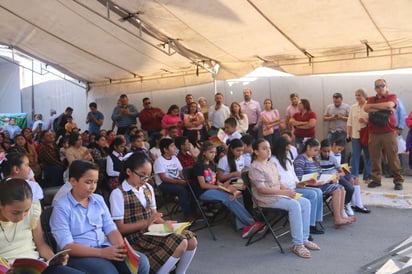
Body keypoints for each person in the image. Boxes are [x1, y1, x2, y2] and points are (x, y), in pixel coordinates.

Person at [50, 160, 150, 274]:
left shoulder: (98, 199)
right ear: (73, 181)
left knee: (141, 263)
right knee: (108, 272)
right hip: (79, 255)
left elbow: (111, 228)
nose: (93, 187)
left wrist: (120, 247)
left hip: (104, 246)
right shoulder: (62, 208)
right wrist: (102, 253)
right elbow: (67, 246)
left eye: (95, 182)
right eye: (88, 182)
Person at [110, 153, 197, 274]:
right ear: (129, 171)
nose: (145, 180)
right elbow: (120, 228)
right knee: (181, 242)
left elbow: (154, 215)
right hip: (134, 237)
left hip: (152, 230)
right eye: (142, 176)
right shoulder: (118, 193)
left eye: (148, 176)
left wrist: (166, 224)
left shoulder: (147, 188)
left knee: (191, 239)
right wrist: (146, 223)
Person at [249, 139, 320, 258]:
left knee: (305, 202)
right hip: (266, 198)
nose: (268, 151)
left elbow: (278, 182)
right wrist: (284, 192)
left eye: (269, 148)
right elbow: (262, 189)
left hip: (278, 194)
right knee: (294, 205)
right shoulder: (255, 167)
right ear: (256, 151)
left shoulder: (271, 164)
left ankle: (304, 238)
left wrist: (288, 190)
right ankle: (298, 245)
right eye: (264, 148)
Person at [0, 178, 84, 274]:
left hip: (34, 266)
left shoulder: (33, 211)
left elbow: (41, 244)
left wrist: (54, 259)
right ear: (1, 205)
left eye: (26, 210)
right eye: (15, 212)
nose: (22, 216)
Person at [193, 141, 264, 238]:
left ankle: (243, 227)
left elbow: (215, 181)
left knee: (238, 194)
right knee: (229, 198)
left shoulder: (212, 164)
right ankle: (251, 222)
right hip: (204, 192)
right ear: (204, 152)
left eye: (214, 152)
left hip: (217, 188)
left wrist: (222, 185)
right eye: (211, 152)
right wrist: (219, 187)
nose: (213, 155)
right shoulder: (199, 165)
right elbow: (203, 185)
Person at [293, 138, 355, 226]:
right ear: (308, 147)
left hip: (319, 183)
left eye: (317, 151)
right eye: (315, 150)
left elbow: (320, 173)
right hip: (311, 186)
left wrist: (329, 179)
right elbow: (299, 179)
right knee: (337, 189)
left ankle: (341, 216)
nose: (316, 153)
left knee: (341, 188)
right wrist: (315, 182)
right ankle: (337, 218)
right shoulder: (301, 159)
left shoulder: (314, 159)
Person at [270, 137, 324, 235]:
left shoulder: (287, 160)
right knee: (312, 194)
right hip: (285, 191)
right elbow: (276, 180)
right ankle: (308, 226)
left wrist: (301, 183)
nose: (287, 152)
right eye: (285, 150)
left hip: (294, 187)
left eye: (288, 150)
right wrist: (287, 188)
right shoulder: (273, 161)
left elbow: (294, 177)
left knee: (317, 192)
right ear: (279, 148)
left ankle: (313, 223)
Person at [364, 79, 404, 190]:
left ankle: (398, 180)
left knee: (393, 157)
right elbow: (366, 108)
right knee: (374, 158)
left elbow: (390, 104)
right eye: (377, 86)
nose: (380, 88)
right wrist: (385, 107)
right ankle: (376, 180)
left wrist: (374, 107)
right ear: (375, 89)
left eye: (382, 86)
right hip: (374, 133)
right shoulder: (371, 99)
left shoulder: (392, 96)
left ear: (387, 87)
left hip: (389, 132)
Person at [153, 138, 197, 221]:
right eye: (172, 146)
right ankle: (188, 215)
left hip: (177, 181)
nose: (174, 148)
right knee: (181, 190)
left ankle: (194, 211)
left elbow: (181, 172)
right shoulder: (159, 161)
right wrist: (179, 182)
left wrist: (185, 180)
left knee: (192, 186)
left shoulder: (174, 158)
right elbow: (163, 178)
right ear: (165, 149)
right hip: (164, 184)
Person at [318, 139, 355, 217]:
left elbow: (342, 172)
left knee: (351, 188)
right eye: (325, 151)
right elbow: (317, 175)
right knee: (341, 189)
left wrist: (338, 175)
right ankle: (339, 210)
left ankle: (345, 205)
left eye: (329, 151)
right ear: (320, 150)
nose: (327, 154)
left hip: (335, 178)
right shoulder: (317, 160)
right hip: (324, 181)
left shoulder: (332, 158)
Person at [346, 88, 372, 189]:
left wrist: (365, 120)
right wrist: (348, 134)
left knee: (368, 156)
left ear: (364, 96)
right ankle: (354, 176)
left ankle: (367, 177)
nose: (357, 97)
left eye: (359, 95)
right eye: (356, 95)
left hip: (366, 135)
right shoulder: (353, 107)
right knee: (354, 156)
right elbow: (349, 121)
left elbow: (373, 122)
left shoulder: (369, 106)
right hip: (355, 136)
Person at [323, 93, 350, 163]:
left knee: (341, 149)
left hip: (342, 131)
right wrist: (331, 117)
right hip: (331, 131)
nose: (336, 103)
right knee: (328, 146)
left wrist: (342, 117)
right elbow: (324, 118)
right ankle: (329, 163)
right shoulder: (329, 107)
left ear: (341, 99)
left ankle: (342, 165)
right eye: (335, 101)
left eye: (338, 101)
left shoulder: (347, 107)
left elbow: (351, 119)